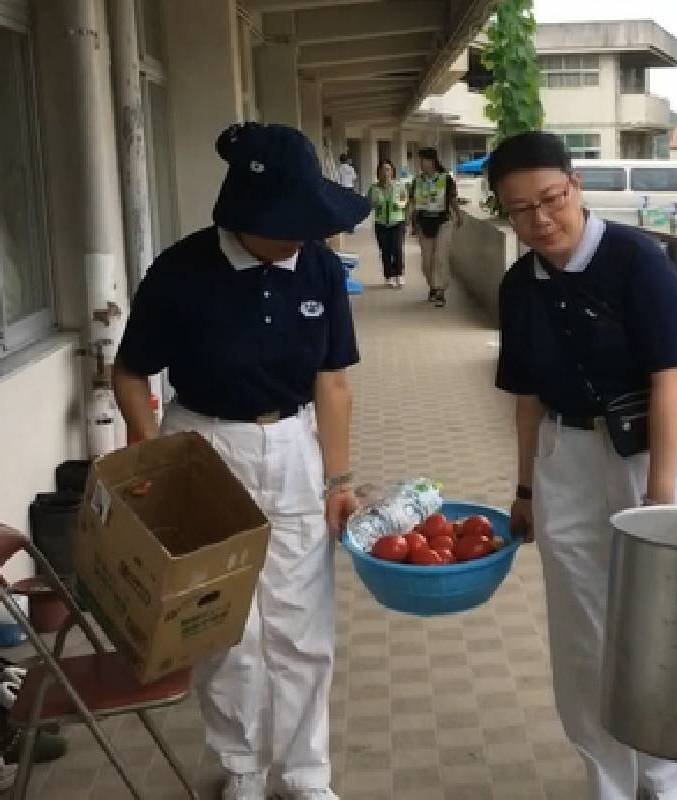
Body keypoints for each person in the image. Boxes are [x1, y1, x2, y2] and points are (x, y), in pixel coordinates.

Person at [113, 123, 368, 800]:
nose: (302, 237)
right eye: (289, 224)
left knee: (302, 624)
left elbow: (333, 381)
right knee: (224, 627)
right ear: (246, 216)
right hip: (204, 449)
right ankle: (243, 770)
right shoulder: (181, 270)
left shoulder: (315, 265)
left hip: (293, 447)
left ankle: (306, 774)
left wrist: (339, 480)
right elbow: (131, 374)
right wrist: (153, 456)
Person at [489, 131, 677, 800]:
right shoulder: (519, 285)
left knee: (662, 625)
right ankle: (608, 779)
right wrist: (525, 487)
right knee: (583, 627)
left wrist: (661, 498)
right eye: (519, 209)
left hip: (656, 455)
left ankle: (664, 779)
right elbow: (527, 399)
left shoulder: (637, 262)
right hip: (568, 459)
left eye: (551, 199)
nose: (541, 219)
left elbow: (672, 380)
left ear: (575, 186)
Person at [406, 146, 462, 307]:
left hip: (443, 221)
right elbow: (412, 202)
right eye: (420, 160)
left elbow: (452, 199)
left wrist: (458, 215)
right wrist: (408, 218)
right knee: (427, 260)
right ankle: (432, 286)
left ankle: (440, 290)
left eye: (424, 160)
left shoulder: (445, 179)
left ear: (433, 161)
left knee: (440, 256)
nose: (421, 163)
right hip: (424, 223)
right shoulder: (417, 181)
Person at [367, 159, 407, 287]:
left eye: (388, 169)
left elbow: (405, 199)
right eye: (383, 169)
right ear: (378, 172)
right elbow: (369, 204)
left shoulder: (399, 185)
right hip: (381, 223)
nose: (386, 172)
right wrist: (373, 203)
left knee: (397, 249)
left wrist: (401, 204)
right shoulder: (373, 188)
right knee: (385, 250)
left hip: (397, 221)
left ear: (392, 171)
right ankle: (389, 275)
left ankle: (399, 274)